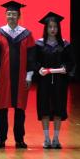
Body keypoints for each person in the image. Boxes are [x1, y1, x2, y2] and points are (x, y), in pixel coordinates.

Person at [0, 0, 36, 149]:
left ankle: (19, 139)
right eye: (9, 14)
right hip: (3, 77)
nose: (11, 16)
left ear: (19, 16)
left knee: (20, 109)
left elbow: (31, 58)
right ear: (5, 15)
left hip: (21, 77)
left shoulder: (26, 34)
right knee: (2, 108)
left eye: (14, 14)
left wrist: (29, 77)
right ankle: (1, 139)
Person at [31, 11, 75, 149]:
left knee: (58, 109)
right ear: (46, 28)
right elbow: (34, 61)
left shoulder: (65, 45)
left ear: (58, 28)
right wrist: (39, 69)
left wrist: (65, 68)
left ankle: (56, 139)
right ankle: (46, 139)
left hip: (60, 82)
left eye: (55, 27)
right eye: (50, 27)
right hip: (44, 82)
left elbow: (71, 62)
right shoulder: (39, 44)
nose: (52, 29)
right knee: (44, 108)